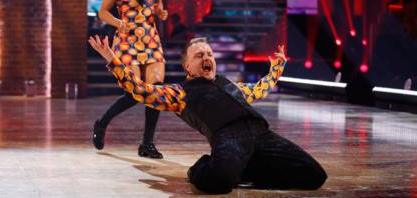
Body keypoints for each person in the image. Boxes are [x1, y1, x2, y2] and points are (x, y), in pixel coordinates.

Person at [88, 36, 327, 194]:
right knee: (220, 183)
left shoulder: (231, 85)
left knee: (314, 175)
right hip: (227, 136)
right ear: (187, 68)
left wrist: (277, 68)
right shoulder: (180, 93)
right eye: (199, 55)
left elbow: (260, 88)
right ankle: (201, 167)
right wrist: (113, 60)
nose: (206, 58)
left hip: (261, 133)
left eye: (209, 54)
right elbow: (140, 90)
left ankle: (246, 170)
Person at [93, 0, 169, 159]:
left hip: (150, 40)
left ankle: (147, 144)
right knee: (135, 92)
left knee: (155, 91)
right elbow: (103, 11)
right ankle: (102, 122)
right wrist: (118, 23)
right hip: (127, 41)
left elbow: (158, 8)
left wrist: (161, 13)